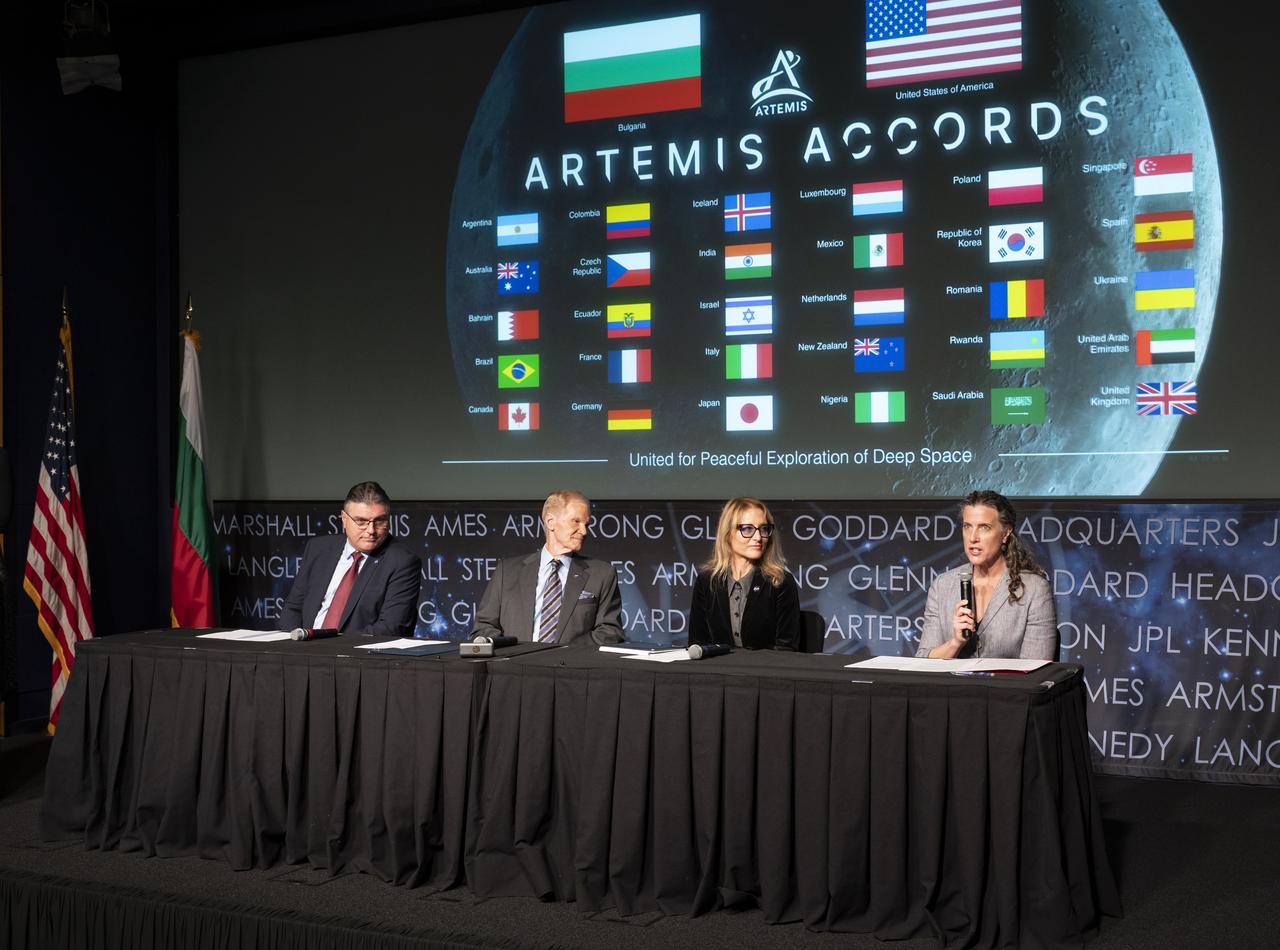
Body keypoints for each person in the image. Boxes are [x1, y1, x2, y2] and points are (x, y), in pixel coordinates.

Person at [916, 489, 1056, 659]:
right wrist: (955, 643)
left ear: (1005, 533)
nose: (973, 537)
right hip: (953, 686)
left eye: (984, 527)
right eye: (967, 527)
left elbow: (1036, 671)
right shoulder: (943, 586)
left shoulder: (1034, 589)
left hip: (1008, 685)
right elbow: (923, 661)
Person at [471, 489, 623, 646]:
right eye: (576, 521)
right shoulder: (507, 571)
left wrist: (565, 653)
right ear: (551, 522)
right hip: (514, 666)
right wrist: (511, 653)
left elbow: (610, 632)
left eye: (587, 524)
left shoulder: (602, 574)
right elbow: (484, 627)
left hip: (570, 667)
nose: (584, 531)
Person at [280, 481, 421, 636]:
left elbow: (390, 628)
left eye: (380, 521)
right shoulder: (318, 549)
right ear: (344, 519)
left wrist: (327, 647)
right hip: (303, 651)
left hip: (357, 656)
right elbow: (293, 608)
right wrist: (296, 643)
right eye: (361, 521)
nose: (371, 530)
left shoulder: (401, 562)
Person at [688, 497, 799, 651]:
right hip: (716, 672)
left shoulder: (781, 581)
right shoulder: (707, 580)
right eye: (747, 529)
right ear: (728, 534)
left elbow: (786, 650)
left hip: (765, 672)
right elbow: (697, 645)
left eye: (764, 529)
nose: (758, 537)